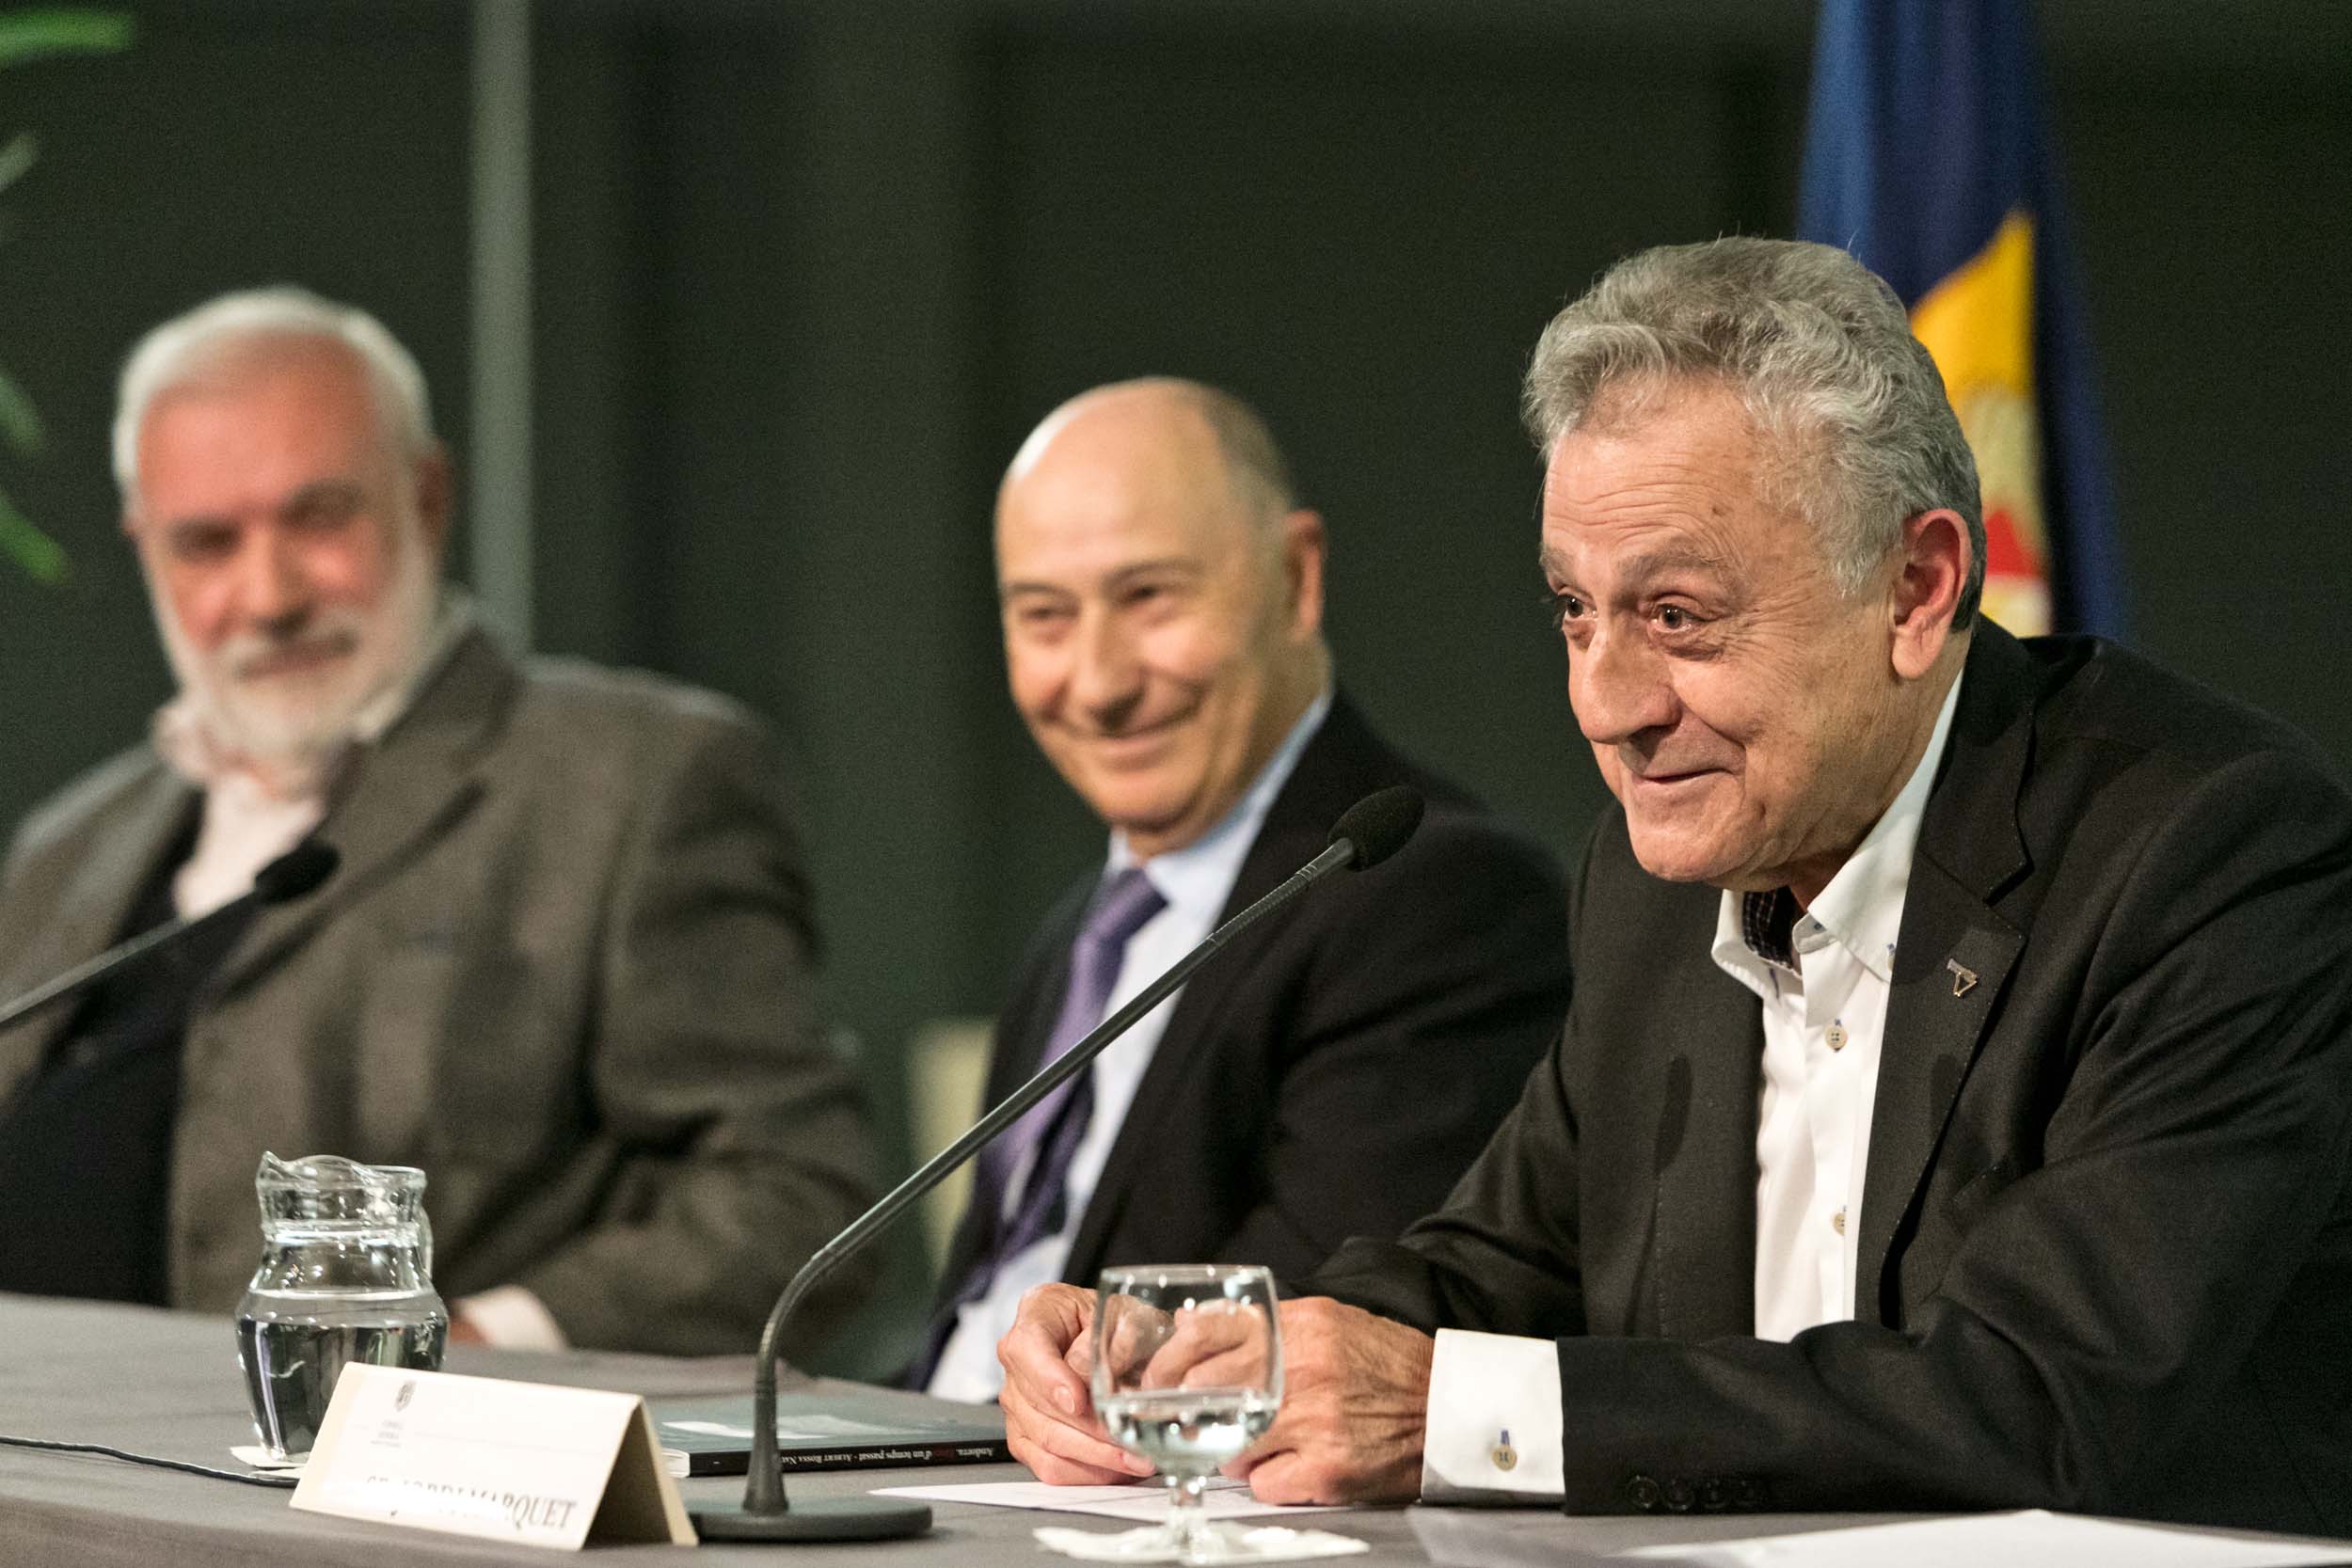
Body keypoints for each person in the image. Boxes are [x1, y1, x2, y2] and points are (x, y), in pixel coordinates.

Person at [993, 241, 2352, 1536]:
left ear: (1916, 585)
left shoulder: (2207, 855)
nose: (1608, 704)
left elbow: (2039, 1393)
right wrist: (1191, 1353)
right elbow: (1487, 1270)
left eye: (1677, 616)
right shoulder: (1652, 885)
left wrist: (1456, 1413)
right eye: (1574, 611)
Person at [0, 288, 877, 1357]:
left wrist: (469, 1349)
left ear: (427, 496)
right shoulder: (69, 844)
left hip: (391, 1453)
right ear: (145, 547)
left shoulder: (636, 781)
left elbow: (798, 1196)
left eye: (319, 518)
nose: (268, 594)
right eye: (206, 543)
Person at [920, 378, 1572, 1400]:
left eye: (1149, 597)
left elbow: (1298, 1336)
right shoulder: (1079, 938)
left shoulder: (1439, 898)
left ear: (1296, 577)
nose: (1098, 681)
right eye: (1044, 616)